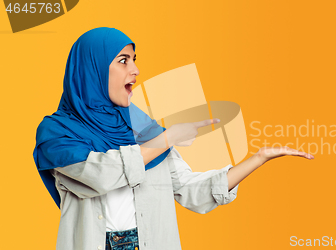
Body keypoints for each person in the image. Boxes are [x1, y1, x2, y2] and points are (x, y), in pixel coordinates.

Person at [33, 27, 314, 250]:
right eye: (122, 60)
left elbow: (190, 189)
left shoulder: (142, 127)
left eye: (134, 60)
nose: (135, 70)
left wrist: (258, 158)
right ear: (90, 69)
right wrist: (166, 139)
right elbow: (101, 175)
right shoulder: (57, 132)